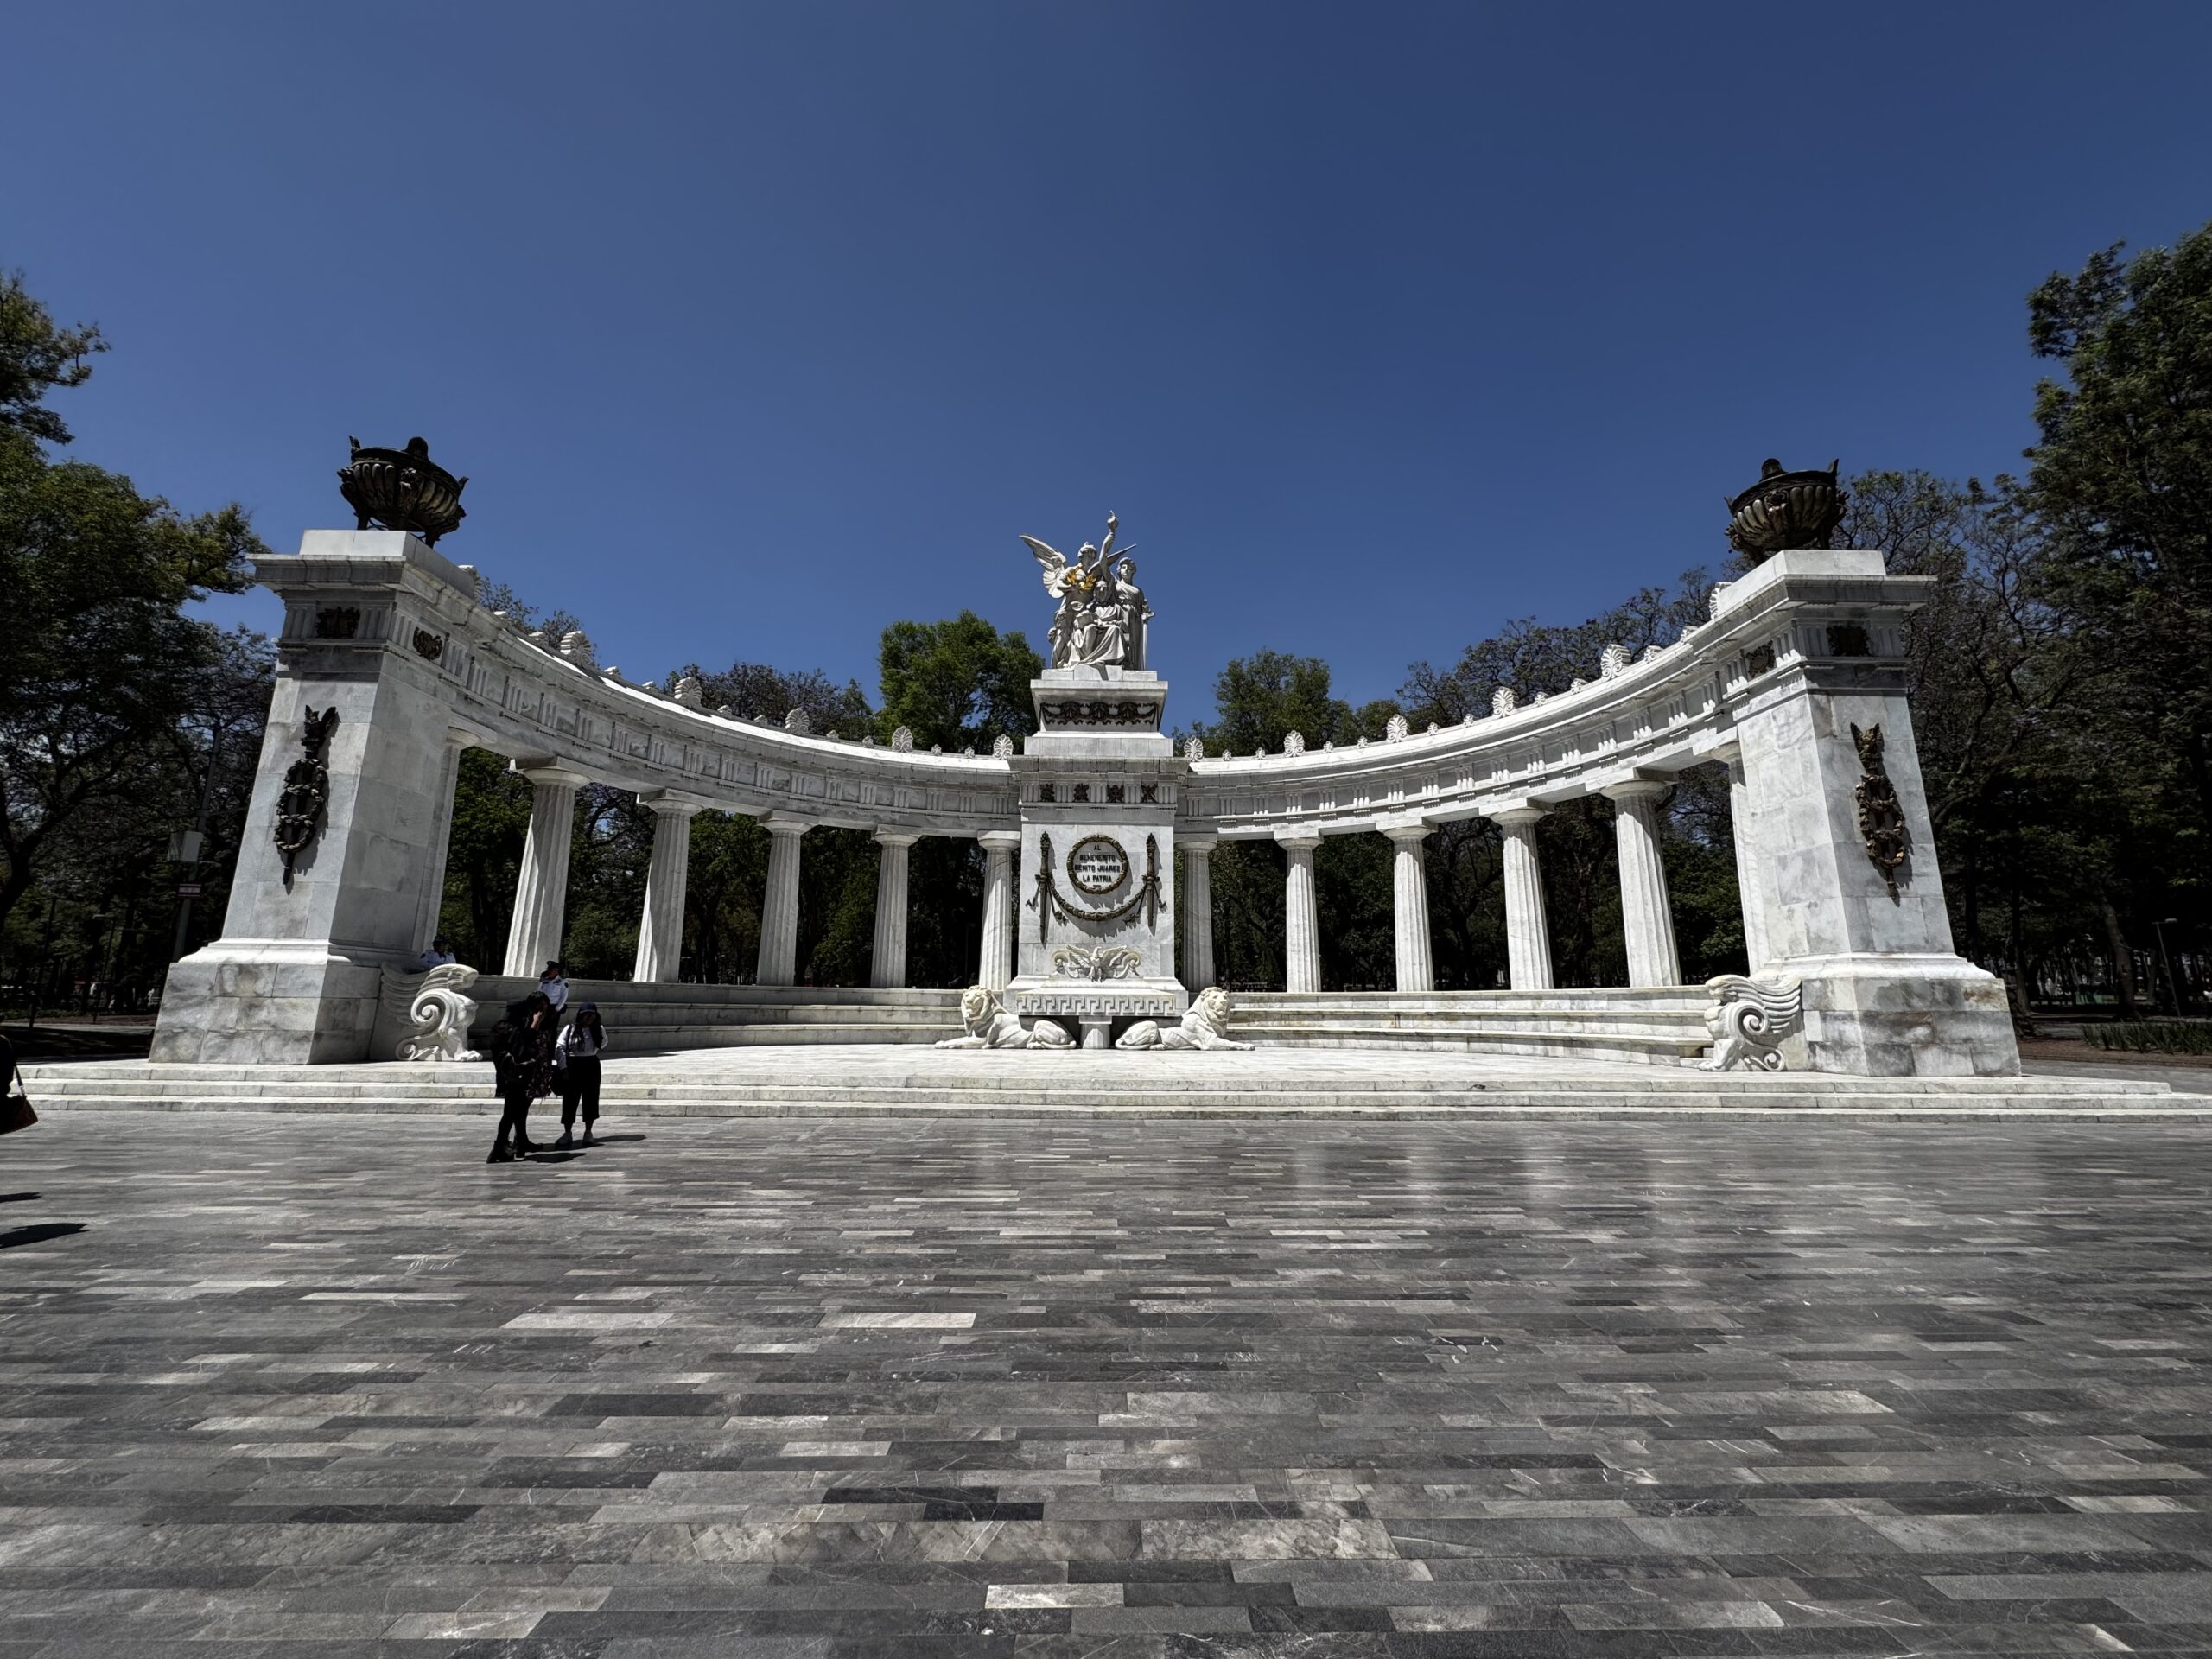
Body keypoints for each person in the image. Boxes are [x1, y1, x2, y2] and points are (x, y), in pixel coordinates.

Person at [484, 993, 556, 1163]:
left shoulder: (500, 1028)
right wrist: (535, 1024)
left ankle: (514, 1143)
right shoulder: (514, 1031)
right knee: (511, 1113)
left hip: (505, 1076)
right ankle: (499, 1148)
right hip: (517, 1077)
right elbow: (524, 1049)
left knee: (513, 1111)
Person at [554, 1002, 610, 1148]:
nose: (589, 1018)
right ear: (580, 1016)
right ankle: (567, 1133)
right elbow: (560, 1047)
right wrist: (563, 1067)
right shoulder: (570, 1029)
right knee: (570, 1100)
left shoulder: (599, 1029)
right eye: (587, 1015)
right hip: (573, 1065)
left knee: (591, 1099)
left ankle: (588, 1132)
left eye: (592, 1015)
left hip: (591, 1064)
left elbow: (603, 1043)